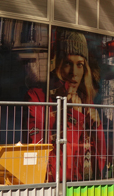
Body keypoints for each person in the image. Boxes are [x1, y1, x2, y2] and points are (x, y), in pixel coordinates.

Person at [28, 30, 107, 181]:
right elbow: (40, 151)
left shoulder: (85, 101)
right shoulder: (38, 97)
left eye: (80, 65)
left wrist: (96, 126)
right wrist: (70, 114)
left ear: (85, 69)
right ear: (58, 65)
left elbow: (101, 158)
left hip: (82, 184)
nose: (74, 73)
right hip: (51, 185)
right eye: (67, 64)